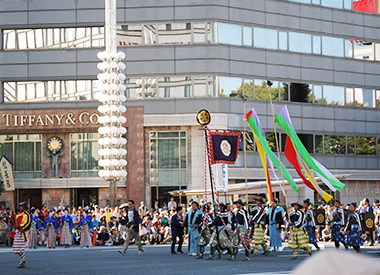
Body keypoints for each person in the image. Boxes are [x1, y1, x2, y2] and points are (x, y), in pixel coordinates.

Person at [10, 202, 31, 268]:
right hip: (18, 233)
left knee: (20, 248)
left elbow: (27, 224)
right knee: (16, 248)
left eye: (21, 206)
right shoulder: (19, 215)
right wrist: (13, 218)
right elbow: (14, 223)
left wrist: (19, 227)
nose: (20, 207)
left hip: (23, 233)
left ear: (24, 207)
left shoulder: (27, 215)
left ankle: (23, 261)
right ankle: (22, 260)